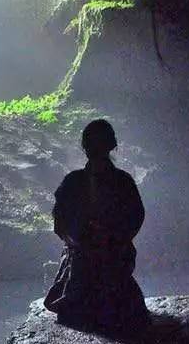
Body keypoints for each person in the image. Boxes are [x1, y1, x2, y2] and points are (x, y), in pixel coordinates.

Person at [44, 119, 150, 332]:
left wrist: (106, 238)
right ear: (113, 145)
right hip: (89, 255)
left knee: (85, 303)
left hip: (110, 253)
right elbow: (62, 225)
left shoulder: (78, 182)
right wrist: (85, 240)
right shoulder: (118, 181)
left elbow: (133, 220)